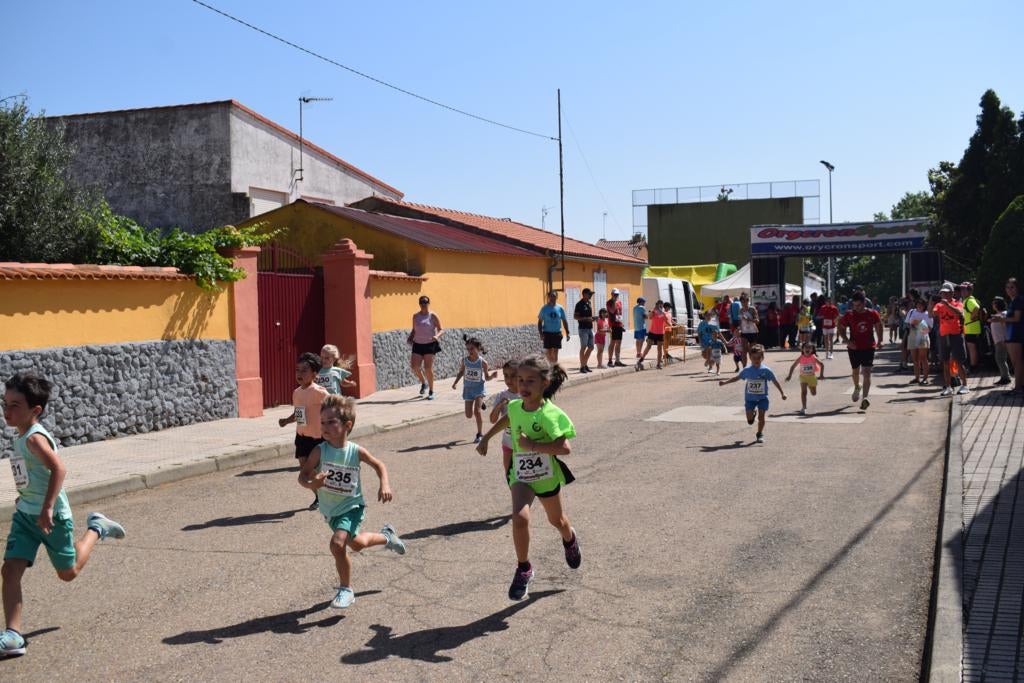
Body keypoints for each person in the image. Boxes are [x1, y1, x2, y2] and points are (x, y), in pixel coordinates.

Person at [1, 373, 126, 658]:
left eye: (15, 405)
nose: (7, 410)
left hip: (51, 517)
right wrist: (26, 495)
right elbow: (33, 474)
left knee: (68, 573)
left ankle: (97, 528)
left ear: (35, 410)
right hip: (26, 515)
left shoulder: (34, 439)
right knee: (9, 570)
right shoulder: (21, 435)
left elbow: (59, 469)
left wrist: (46, 507)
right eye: (4, 403)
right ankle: (13, 636)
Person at [476, 356, 581, 601]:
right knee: (520, 518)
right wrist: (486, 438)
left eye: (530, 381)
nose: (522, 385)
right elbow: (508, 419)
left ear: (545, 383)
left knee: (558, 521)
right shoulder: (515, 406)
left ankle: (570, 539)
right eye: (520, 379)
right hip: (521, 475)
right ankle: (524, 568)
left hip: (546, 477)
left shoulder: (550, 414)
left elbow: (565, 448)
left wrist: (532, 445)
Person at [298, 395, 405, 610]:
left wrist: (384, 484)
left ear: (347, 425)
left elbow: (379, 465)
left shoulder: (356, 451)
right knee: (357, 544)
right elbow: (302, 476)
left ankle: (346, 589)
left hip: (352, 507)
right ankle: (387, 536)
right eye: (322, 422)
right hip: (331, 511)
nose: (325, 427)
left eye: (331, 422)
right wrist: (313, 484)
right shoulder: (319, 451)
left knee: (337, 544)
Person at [279, 352, 330, 510]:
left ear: (314, 374)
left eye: (304, 370)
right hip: (301, 436)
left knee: (315, 469)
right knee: (304, 469)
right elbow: (298, 413)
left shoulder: (320, 392)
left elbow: (334, 408)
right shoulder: (297, 392)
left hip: (318, 438)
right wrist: (286, 421)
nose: (299, 374)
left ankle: (326, 493)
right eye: (297, 370)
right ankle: (319, 496)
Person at [718, 344, 786, 444]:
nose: (756, 360)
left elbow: (775, 381)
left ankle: (760, 433)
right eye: (754, 358)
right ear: (750, 358)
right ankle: (752, 414)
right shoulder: (747, 370)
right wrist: (725, 382)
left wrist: (782, 393)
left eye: (759, 358)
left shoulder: (766, 370)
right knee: (750, 421)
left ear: (762, 358)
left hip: (762, 398)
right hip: (750, 399)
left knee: (761, 417)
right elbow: (737, 378)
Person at [838, 293, 883, 410]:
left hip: (869, 346)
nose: (856, 308)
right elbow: (841, 327)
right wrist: (847, 341)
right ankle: (857, 386)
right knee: (855, 371)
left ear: (864, 303)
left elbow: (879, 326)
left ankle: (865, 398)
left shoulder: (872, 313)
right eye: (854, 305)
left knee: (867, 372)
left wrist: (880, 340)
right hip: (854, 347)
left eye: (858, 305)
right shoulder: (849, 314)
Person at [452, 336, 497, 444]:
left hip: (478, 390)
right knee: (468, 415)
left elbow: (487, 378)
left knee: (477, 412)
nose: (469, 351)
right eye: (468, 349)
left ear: (478, 348)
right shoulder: (464, 361)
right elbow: (461, 372)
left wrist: (492, 376)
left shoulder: (483, 362)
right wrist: (455, 382)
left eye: (472, 348)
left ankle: (479, 434)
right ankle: (481, 403)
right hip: (468, 390)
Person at [931, 283, 969, 397]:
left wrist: (948, 305)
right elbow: (932, 314)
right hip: (943, 335)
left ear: (952, 293)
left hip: (956, 334)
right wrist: (930, 301)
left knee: (959, 361)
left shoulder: (958, 303)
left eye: (947, 293)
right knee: (945, 362)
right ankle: (948, 387)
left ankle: (965, 385)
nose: (945, 295)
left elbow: (960, 312)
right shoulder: (939, 305)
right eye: (943, 293)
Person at [990, 278, 1024, 394]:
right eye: (1007, 287)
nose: (1009, 290)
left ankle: (1018, 388)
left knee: (1017, 362)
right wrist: (1001, 318)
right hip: (1011, 335)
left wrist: (1001, 319)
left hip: (1016, 335)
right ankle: (1020, 386)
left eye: (1012, 287)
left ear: (1017, 288)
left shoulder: (1018, 300)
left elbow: (1017, 318)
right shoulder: (1013, 301)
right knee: (1016, 362)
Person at [408, 296, 443, 400]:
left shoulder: (432, 316)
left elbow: (441, 329)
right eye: (421, 302)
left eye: (425, 302)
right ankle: (424, 383)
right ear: (419, 304)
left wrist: (437, 336)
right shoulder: (415, 316)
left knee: (428, 368)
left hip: (430, 344)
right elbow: (414, 330)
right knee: (414, 367)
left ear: (428, 303)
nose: (423, 304)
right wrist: (410, 337)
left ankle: (431, 391)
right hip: (417, 344)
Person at [489, 360, 521, 474]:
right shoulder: (502, 395)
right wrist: (499, 405)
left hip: (525, 444)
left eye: (513, 376)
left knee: (526, 476)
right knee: (509, 474)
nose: (508, 380)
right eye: (506, 375)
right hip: (508, 443)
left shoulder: (526, 394)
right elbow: (492, 420)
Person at [785, 342, 826, 415]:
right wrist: (789, 376)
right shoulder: (801, 357)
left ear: (812, 350)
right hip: (803, 377)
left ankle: (810, 386)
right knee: (804, 392)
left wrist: (821, 375)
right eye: (805, 347)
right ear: (802, 349)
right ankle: (804, 407)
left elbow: (822, 365)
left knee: (813, 393)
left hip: (812, 377)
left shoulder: (813, 357)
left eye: (809, 348)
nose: (807, 349)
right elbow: (793, 366)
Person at [905, 299, 933, 385]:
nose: (919, 306)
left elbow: (930, 328)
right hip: (912, 335)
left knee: (923, 358)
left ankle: (925, 378)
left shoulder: (927, 314)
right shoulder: (911, 312)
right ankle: (917, 378)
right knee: (915, 359)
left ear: (924, 306)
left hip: (923, 336)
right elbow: (907, 323)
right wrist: (912, 325)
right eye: (917, 304)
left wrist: (920, 325)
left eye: (921, 305)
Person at [538, 291, 570, 363]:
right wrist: (541, 334)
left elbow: (564, 320)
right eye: (551, 296)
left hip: (557, 333)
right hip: (547, 333)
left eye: (554, 296)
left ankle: (554, 365)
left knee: (556, 351)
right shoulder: (544, 308)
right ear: (548, 297)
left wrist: (567, 332)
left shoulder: (560, 308)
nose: (553, 298)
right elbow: (539, 322)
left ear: (557, 297)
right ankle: (550, 365)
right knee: (549, 351)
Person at [636, 300, 669, 370]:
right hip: (652, 332)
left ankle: (658, 364)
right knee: (648, 346)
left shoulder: (663, 313)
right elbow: (650, 317)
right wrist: (653, 311)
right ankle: (641, 359)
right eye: (659, 305)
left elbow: (666, 321)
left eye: (661, 305)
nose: (660, 306)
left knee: (659, 349)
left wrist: (663, 314)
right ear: (657, 305)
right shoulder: (654, 312)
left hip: (660, 333)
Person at [960, 282, 984, 371]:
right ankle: (974, 365)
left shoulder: (969, 300)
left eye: (964, 289)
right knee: (972, 347)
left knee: (971, 348)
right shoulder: (968, 299)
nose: (962, 291)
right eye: (961, 289)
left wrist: (972, 317)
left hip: (971, 328)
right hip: (971, 327)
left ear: (969, 291)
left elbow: (976, 307)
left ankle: (973, 367)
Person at [989, 297, 1012, 386]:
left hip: (1002, 341)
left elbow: (1006, 326)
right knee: (1001, 359)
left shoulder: (1003, 314)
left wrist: (1004, 339)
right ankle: (1004, 377)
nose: (993, 305)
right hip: (998, 341)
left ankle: (1006, 378)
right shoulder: (998, 314)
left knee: (1000, 359)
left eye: (994, 303)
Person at [574, 288, 596, 373]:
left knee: (591, 347)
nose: (591, 296)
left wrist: (593, 318)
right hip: (583, 329)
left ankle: (584, 364)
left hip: (589, 328)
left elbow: (588, 316)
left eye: (591, 294)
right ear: (584, 294)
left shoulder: (589, 303)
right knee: (583, 347)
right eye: (589, 294)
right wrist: (586, 319)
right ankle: (582, 366)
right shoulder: (579, 304)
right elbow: (575, 317)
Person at [737, 294, 760, 363]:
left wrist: (748, 319)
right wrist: (739, 329)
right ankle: (744, 368)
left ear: (748, 301)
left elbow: (757, 321)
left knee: (752, 350)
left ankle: (753, 365)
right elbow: (740, 321)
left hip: (753, 332)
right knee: (744, 351)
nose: (743, 303)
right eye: (742, 302)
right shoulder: (740, 310)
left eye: (745, 301)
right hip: (744, 332)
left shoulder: (752, 309)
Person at [607, 289, 626, 367]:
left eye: (617, 294)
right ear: (611, 294)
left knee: (619, 343)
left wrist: (621, 323)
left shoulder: (619, 302)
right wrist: (614, 302)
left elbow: (619, 313)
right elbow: (612, 311)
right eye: (614, 294)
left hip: (619, 324)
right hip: (613, 325)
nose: (616, 296)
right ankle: (610, 361)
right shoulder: (609, 302)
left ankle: (617, 360)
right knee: (612, 342)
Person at [818, 295, 840, 359]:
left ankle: (831, 353)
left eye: (830, 301)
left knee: (831, 339)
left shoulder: (834, 308)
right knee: (826, 340)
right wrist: (822, 317)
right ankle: (827, 353)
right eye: (828, 301)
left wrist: (835, 320)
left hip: (831, 326)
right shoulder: (823, 307)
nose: (829, 302)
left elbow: (837, 316)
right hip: (824, 326)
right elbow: (819, 316)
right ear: (825, 302)